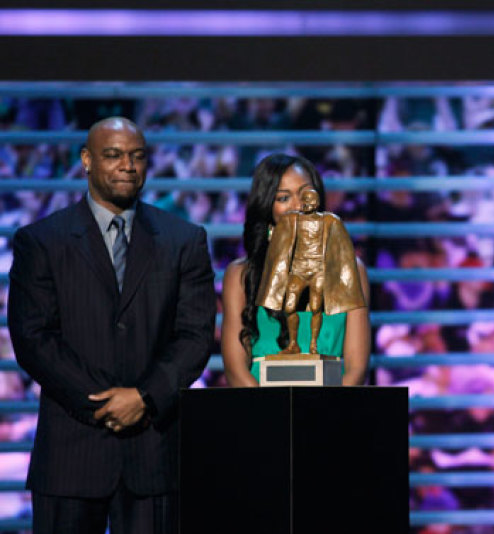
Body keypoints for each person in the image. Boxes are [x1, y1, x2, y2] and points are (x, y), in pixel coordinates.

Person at [7, 116, 216, 534]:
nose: (128, 166)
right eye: (114, 155)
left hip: (152, 452)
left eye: (137, 156)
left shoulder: (183, 240)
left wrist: (144, 396)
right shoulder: (42, 241)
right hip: (71, 452)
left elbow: (194, 336)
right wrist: (104, 403)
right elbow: (33, 339)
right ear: (86, 159)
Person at [221, 153, 371, 387]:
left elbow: (356, 368)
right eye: (284, 197)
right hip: (262, 411)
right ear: (267, 206)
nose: (298, 205)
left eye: (305, 194)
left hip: (331, 409)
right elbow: (236, 369)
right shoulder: (240, 275)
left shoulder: (351, 271)